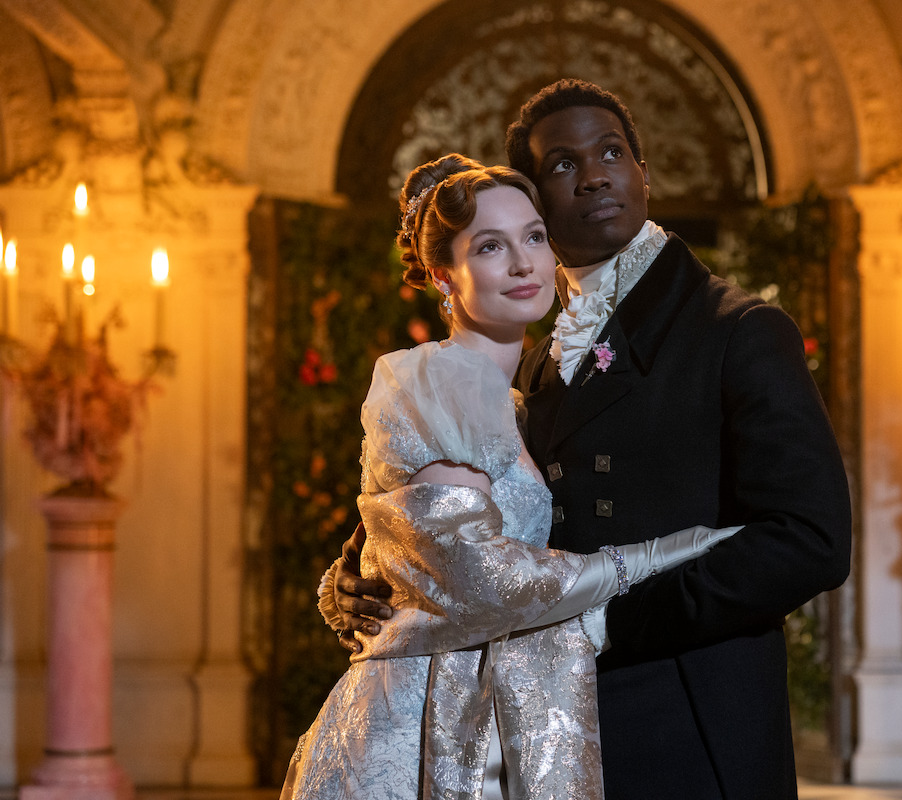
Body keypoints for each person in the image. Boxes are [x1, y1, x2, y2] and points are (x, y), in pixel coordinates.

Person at [333, 81, 853, 799]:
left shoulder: (737, 330)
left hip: (690, 720)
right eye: (564, 164)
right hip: (554, 733)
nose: (597, 173)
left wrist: (612, 620)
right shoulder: (537, 359)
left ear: (645, 173)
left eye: (612, 152)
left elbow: (809, 540)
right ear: (539, 202)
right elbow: (484, 509)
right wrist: (371, 570)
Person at [283, 154, 738, 800]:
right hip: (431, 724)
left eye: (534, 237)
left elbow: (404, 540)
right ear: (445, 275)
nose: (526, 264)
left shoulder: (520, 397)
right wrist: (650, 559)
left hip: (498, 707)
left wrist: (356, 570)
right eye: (492, 246)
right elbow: (474, 570)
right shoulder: (436, 383)